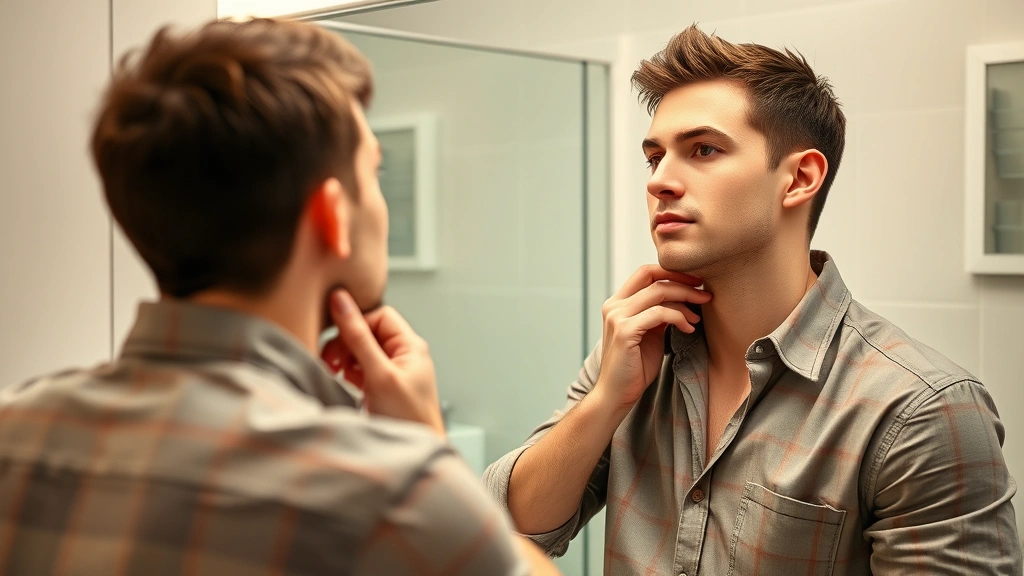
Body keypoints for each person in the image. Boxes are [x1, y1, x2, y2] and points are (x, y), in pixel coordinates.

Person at [0, 18, 557, 575]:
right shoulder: (391, 496)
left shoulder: (13, 431)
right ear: (331, 215)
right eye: (374, 172)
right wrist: (429, 450)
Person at [484, 24, 1022, 575]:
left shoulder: (919, 410)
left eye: (703, 150)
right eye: (654, 158)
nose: (660, 181)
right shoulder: (633, 353)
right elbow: (503, 531)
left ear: (799, 178)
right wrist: (605, 403)